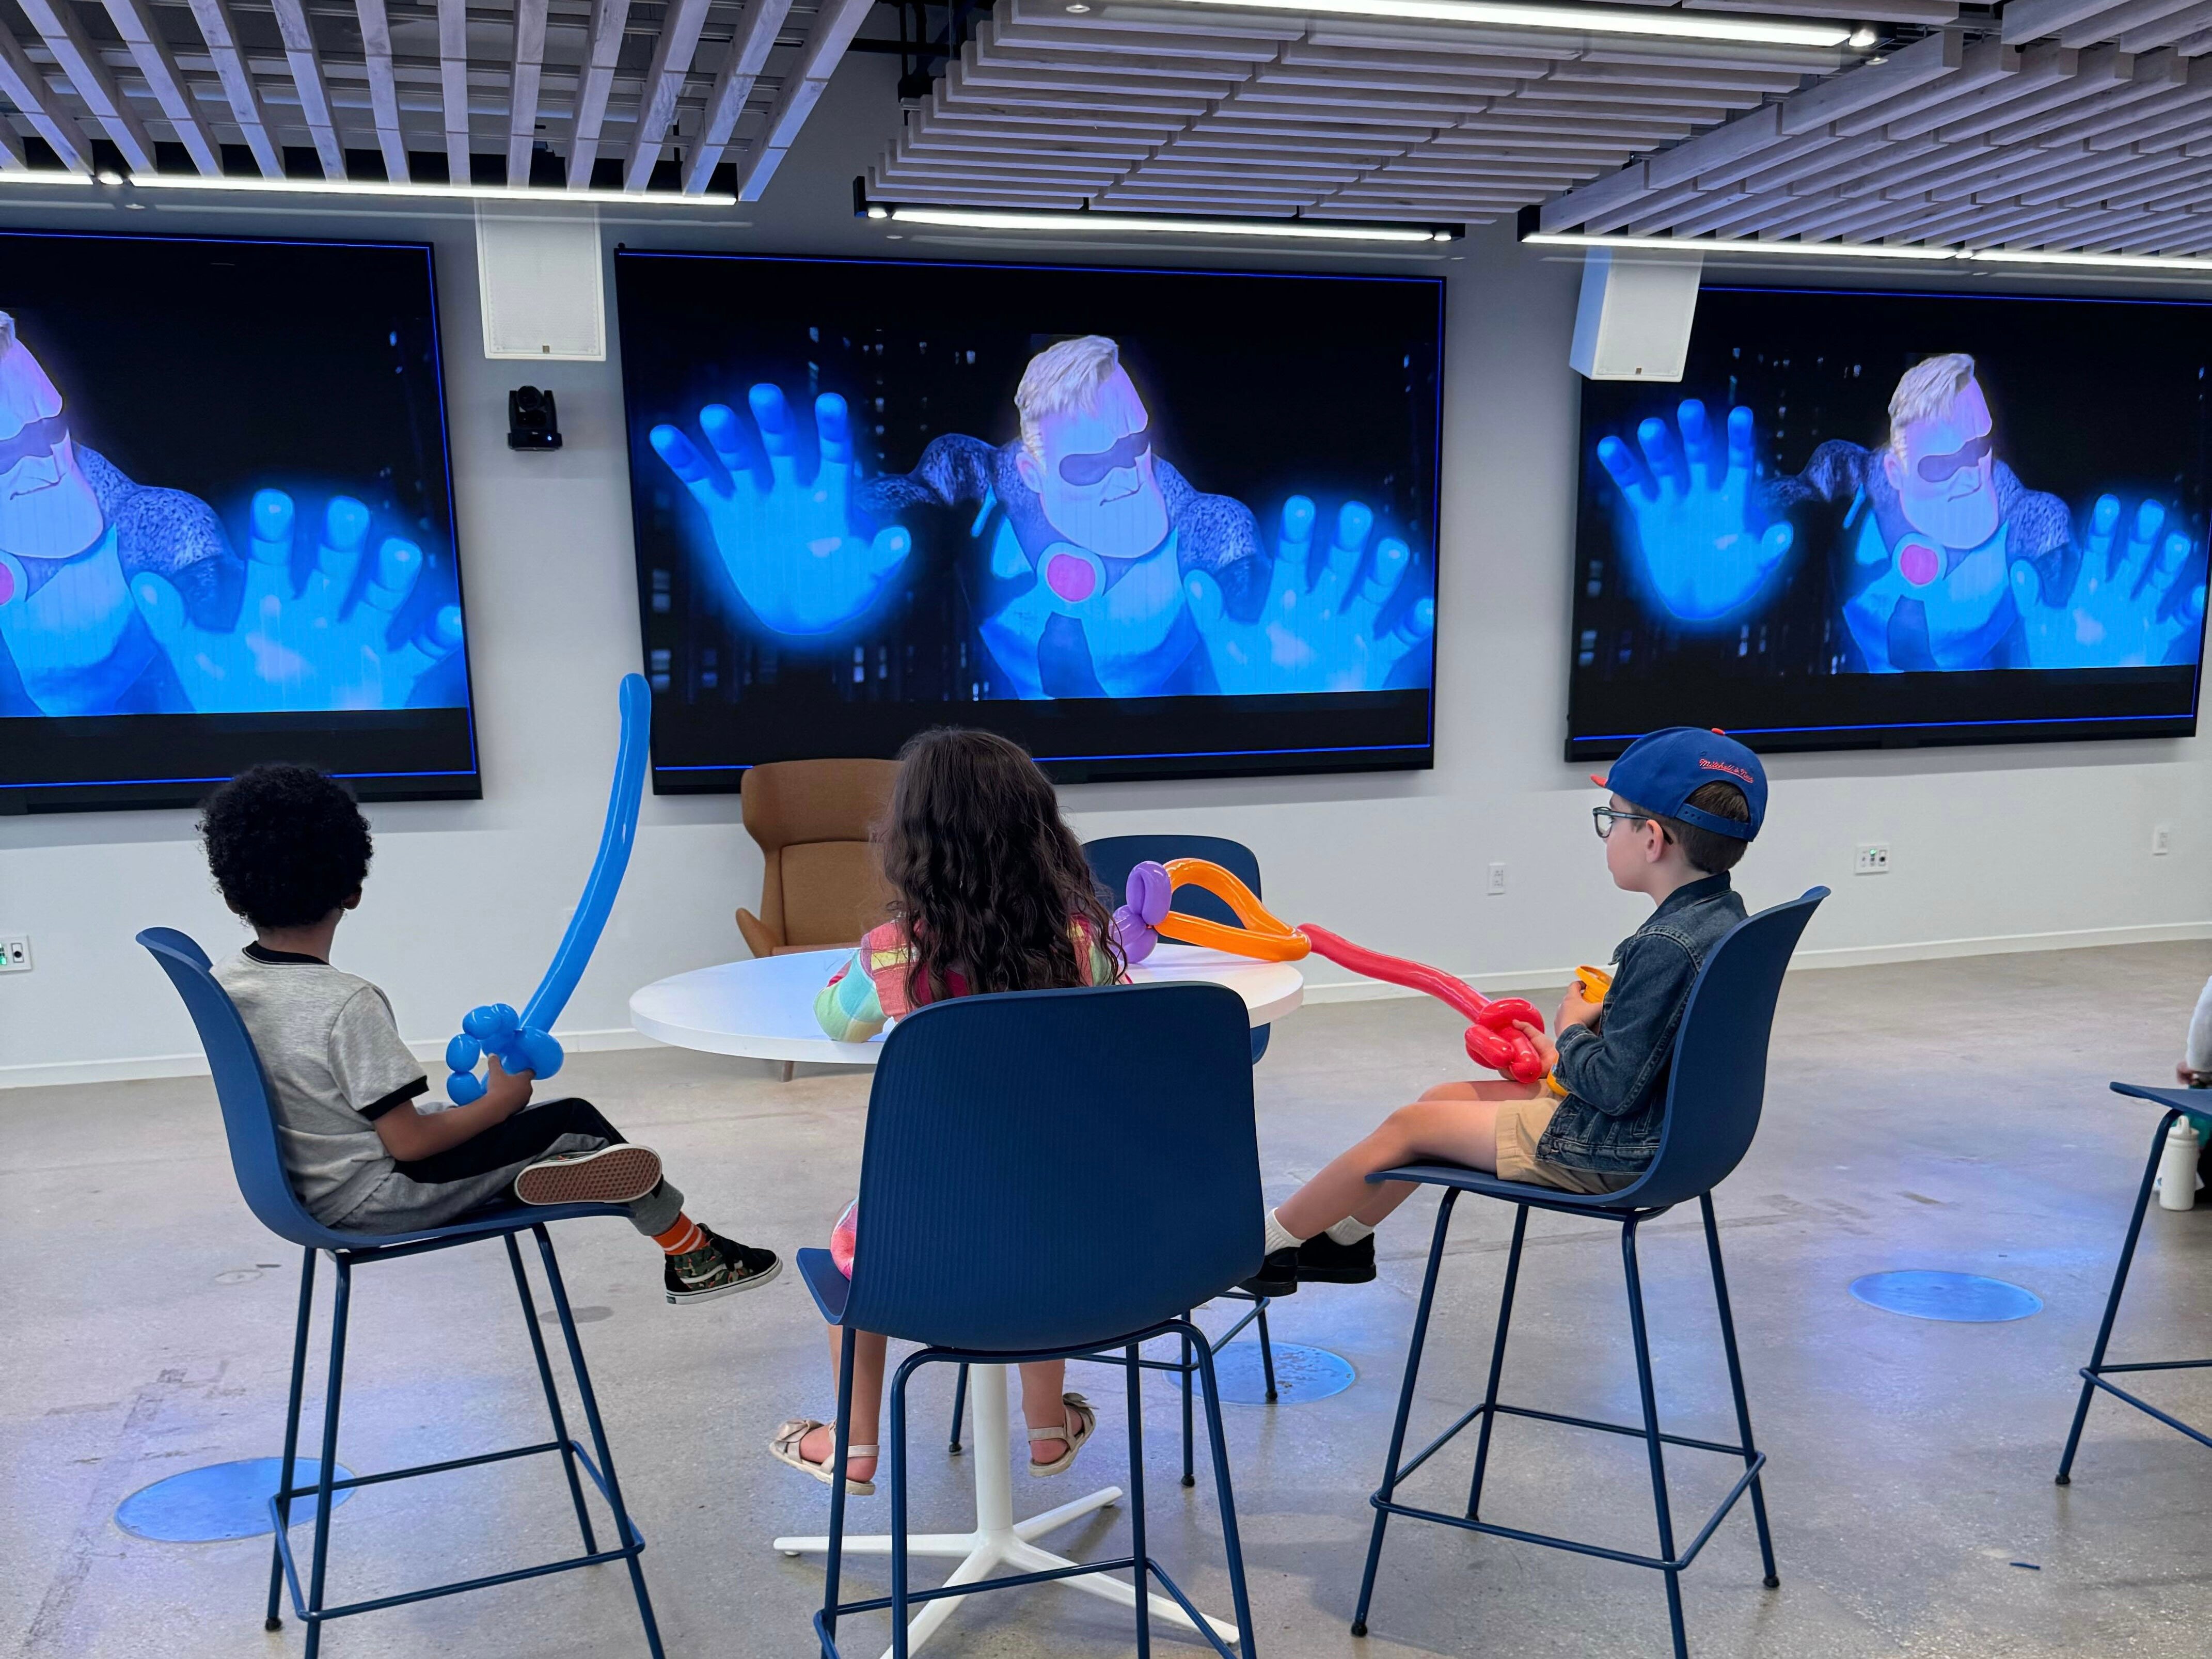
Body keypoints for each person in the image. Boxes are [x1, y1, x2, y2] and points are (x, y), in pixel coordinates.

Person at [201, 762, 776, 1303]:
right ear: (352, 888)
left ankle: (541, 1175)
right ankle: (692, 1255)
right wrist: (503, 1102)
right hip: (381, 1198)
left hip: (304, 1192)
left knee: (532, 1130)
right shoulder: (347, 1004)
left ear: (231, 892)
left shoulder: (230, 980)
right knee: (575, 1123)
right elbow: (410, 1145)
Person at [1246, 726, 1766, 1294]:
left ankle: (1254, 1250)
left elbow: (1615, 1087)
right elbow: (1647, 1062)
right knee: (1437, 1102)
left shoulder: (1664, 946)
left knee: (1409, 1127)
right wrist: (1555, 1056)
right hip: (1673, 1136)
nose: (1604, 834)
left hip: (1620, 1148)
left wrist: (1568, 1030)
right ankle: (1345, 1241)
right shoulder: (1724, 918)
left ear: (1652, 839)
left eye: (1610, 817)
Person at [769, 728, 1124, 1494]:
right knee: (1034, 1224)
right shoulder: (1080, 941)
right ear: (1041, 833)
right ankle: (1047, 1429)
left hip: (927, 1242)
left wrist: (857, 965)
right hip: (1070, 1226)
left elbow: (839, 1021)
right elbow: (1118, 1021)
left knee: (851, 1244)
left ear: (912, 842)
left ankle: (852, 1445)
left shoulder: (893, 953)